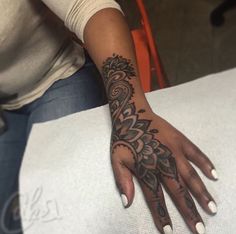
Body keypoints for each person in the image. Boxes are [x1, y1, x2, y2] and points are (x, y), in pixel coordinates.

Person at [0, 0, 218, 234]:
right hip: (5, 105)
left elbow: (87, 6)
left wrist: (130, 112)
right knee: (11, 222)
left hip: (57, 76)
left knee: (60, 209)